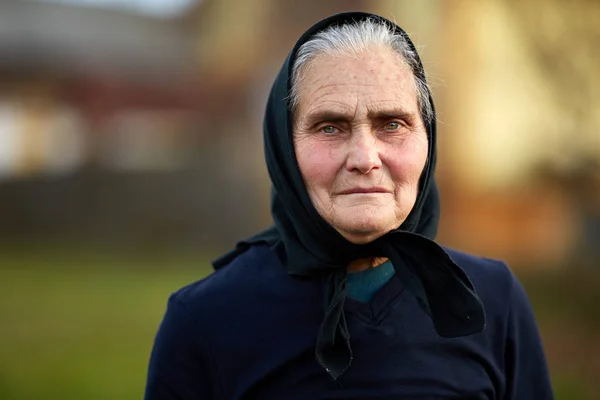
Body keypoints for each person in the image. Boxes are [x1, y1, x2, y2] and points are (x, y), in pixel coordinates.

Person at [144, 12, 553, 399]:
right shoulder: (205, 320)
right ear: (285, 149)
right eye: (330, 127)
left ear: (427, 139)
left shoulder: (492, 299)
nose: (364, 157)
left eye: (392, 124)